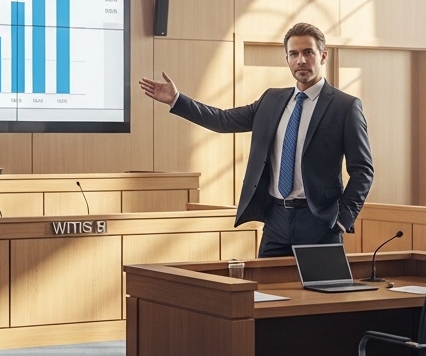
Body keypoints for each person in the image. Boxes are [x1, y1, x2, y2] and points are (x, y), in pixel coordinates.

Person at [140, 22, 374, 257]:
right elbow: (223, 120)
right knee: (266, 292)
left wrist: (343, 220)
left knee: (323, 292)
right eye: (293, 54)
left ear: (322, 56)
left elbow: (363, 170)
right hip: (276, 221)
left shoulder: (345, 106)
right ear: (287, 59)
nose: (301, 60)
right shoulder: (271, 100)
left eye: (308, 52)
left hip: (320, 222)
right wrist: (177, 100)